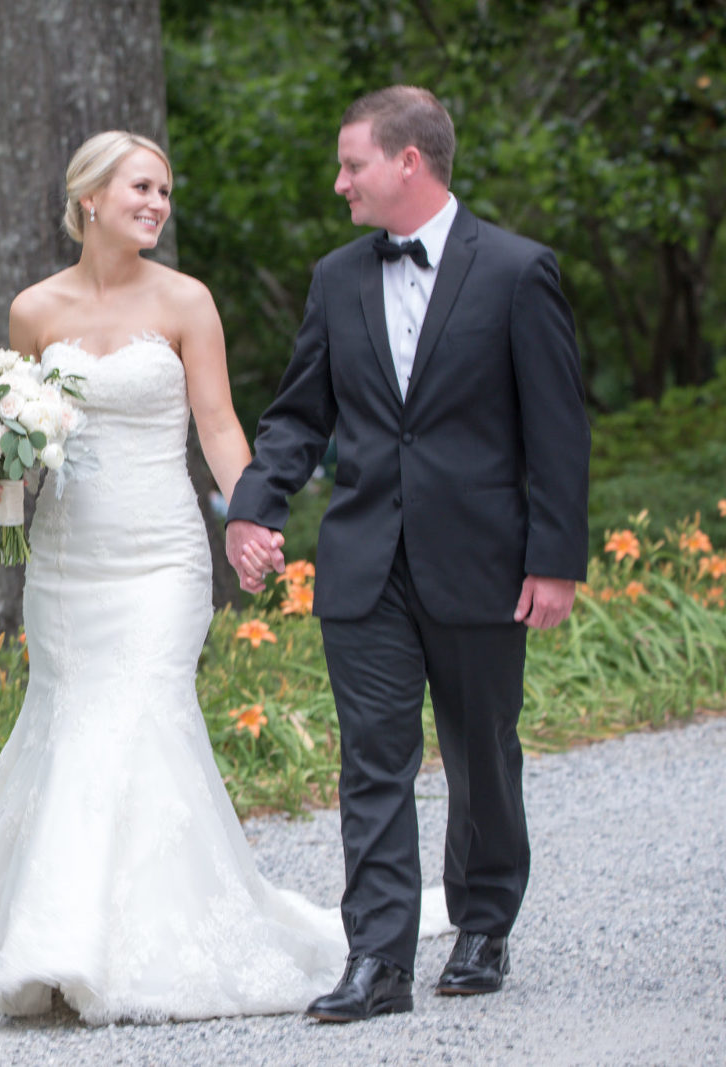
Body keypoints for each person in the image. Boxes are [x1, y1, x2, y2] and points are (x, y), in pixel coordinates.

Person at [0, 130, 445, 1024]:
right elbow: (30, 445)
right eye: (141, 188)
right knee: (69, 724)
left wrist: (252, 516)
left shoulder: (188, 301)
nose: (157, 204)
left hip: (161, 559)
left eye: (164, 191)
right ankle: (56, 929)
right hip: (68, 565)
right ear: (89, 200)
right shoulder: (34, 310)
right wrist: (0, 477)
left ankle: (96, 944)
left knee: (138, 716)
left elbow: (221, 426)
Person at [225, 86, 590, 1023]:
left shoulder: (517, 270)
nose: (340, 181)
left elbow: (557, 429)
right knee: (372, 760)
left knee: (481, 753)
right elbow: (300, 413)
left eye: (353, 164)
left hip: (482, 560)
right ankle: (380, 958)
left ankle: (482, 921)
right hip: (365, 561)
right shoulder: (336, 278)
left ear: (408, 162)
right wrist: (252, 509)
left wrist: (555, 560)